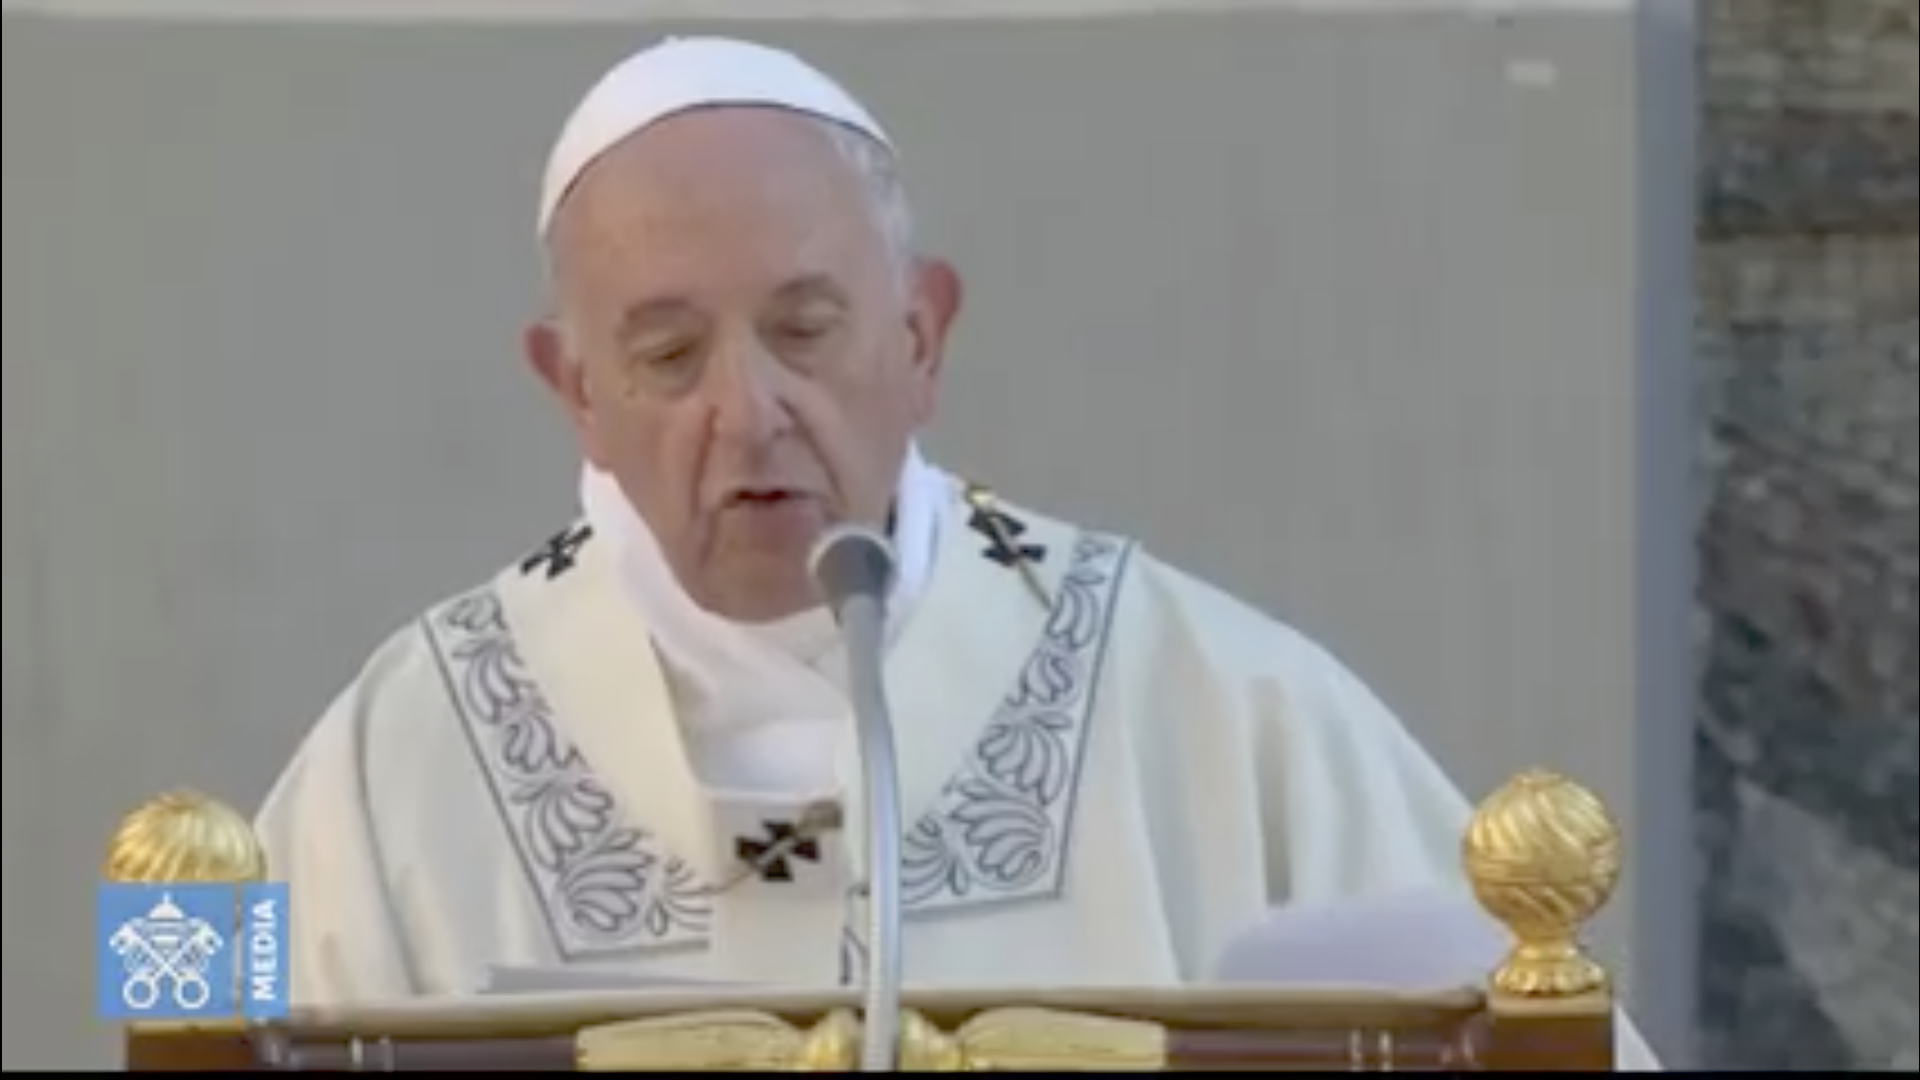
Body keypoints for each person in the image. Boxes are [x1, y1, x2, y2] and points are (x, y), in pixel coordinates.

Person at [255, 35, 1659, 1068]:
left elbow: (1550, 1025)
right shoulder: (397, 749)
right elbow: (168, 1019)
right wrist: (165, 951)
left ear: (922, 336)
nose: (749, 411)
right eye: (670, 355)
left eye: (805, 332)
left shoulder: (1214, 707)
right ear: (574, 390)